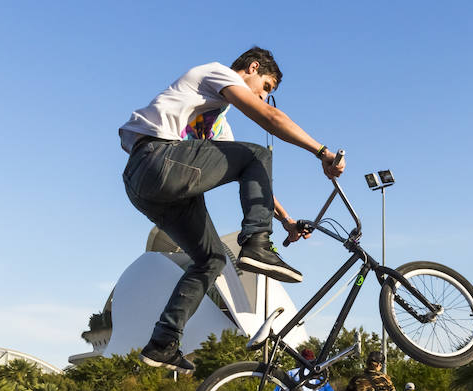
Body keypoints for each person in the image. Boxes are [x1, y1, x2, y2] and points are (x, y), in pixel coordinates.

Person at [119, 46, 346, 374]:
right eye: (265, 87)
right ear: (252, 68)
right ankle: (256, 244)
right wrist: (321, 151)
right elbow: (269, 119)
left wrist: (286, 220)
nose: (263, 98)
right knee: (257, 154)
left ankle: (163, 342)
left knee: (211, 260)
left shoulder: (217, 124)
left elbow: (255, 173)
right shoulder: (215, 73)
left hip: (148, 187)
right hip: (155, 158)